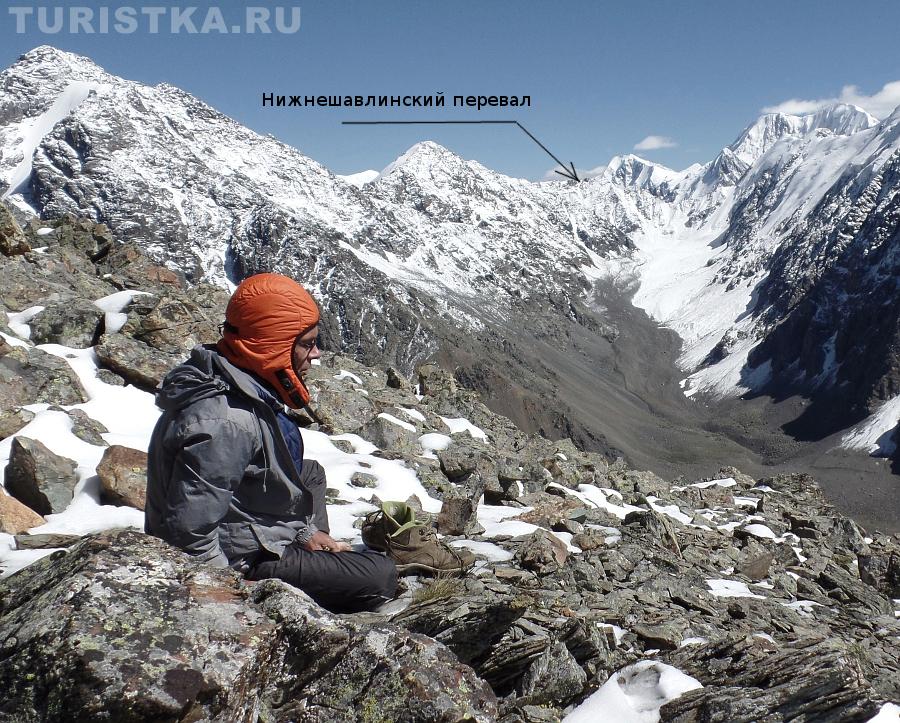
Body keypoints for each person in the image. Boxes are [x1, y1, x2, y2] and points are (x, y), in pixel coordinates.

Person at [145, 272, 398, 613]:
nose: (317, 353)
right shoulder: (226, 423)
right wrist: (234, 596)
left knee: (309, 473)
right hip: (243, 556)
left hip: (249, 521)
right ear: (274, 346)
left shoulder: (235, 377)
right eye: (307, 343)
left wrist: (305, 532)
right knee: (381, 575)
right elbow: (189, 536)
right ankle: (306, 579)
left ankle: (307, 549)